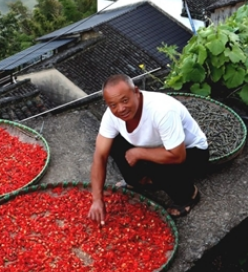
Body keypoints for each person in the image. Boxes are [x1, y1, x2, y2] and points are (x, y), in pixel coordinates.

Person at [88, 74, 209, 222]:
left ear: (136, 92)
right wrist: (97, 199)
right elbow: (100, 156)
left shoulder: (162, 111)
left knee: (155, 165)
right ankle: (139, 180)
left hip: (193, 153)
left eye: (125, 100)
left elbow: (178, 155)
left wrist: (139, 153)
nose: (120, 108)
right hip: (153, 147)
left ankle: (189, 195)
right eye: (113, 105)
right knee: (112, 142)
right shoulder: (111, 115)